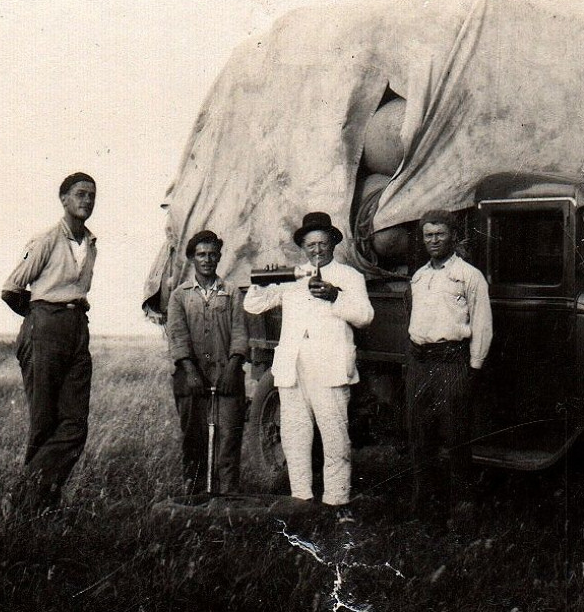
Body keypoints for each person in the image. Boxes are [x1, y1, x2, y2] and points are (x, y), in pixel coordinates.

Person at [243, 211, 373, 507]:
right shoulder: (294, 276)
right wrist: (265, 280)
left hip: (329, 371)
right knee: (295, 438)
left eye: (322, 244)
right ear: (303, 247)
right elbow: (253, 304)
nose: (316, 250)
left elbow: (365, 316)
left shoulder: (349, 277)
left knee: (335, 439)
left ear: (332, 245)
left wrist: (334, 297)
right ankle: (300, 501)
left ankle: (336, 504)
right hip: (293, 372)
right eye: (311, 245)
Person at [1, 172, 98, 515]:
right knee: (44, 423)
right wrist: (42, 313)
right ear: (64, 200)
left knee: (74, 425)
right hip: (44, 328)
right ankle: (36, 510)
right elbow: (11, 288)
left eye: (91, 195)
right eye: (80, 194)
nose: (86, 201)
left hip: (77, 329)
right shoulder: (45, 240)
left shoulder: (92, 244)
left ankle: (24, 495)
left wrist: (70, 313)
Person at [405, 209, 492, 519]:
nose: (434, 240)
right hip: (420, 363)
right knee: (420, 436)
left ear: (453, 236)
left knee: (455, 435)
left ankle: (461, 507)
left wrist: (474, 366)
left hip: (452, 363)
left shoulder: (469, 275)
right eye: (428, 235)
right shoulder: (419, 277)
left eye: (439, 234)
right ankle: (424, 507)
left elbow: (482, 324)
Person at [165, 230, 250, 495]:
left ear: (219, 257)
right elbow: (178, 336)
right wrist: (190, 371)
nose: (207, 259)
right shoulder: (179, 295)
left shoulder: (232, 292)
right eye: (201, 254)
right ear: (192, 258)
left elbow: (239, 333)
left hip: (227, 378)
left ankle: (227, 502)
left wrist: (233, 368)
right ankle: (196, 500)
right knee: (195, 441)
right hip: (192, 380)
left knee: (228, 442)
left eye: (213, 254)